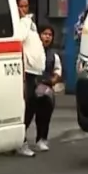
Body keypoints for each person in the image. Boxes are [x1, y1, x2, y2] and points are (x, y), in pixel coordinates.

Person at [16, 0, 47, 157]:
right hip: (25, 72)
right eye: (21, 6)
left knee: (34, 104)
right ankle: (21, 141)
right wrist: (25, 20)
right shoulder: (22, 23)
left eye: (26, 6)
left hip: (35, 72)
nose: (24, 9)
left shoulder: (31, 24)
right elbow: (20, 37)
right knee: (26, 106)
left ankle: (30, 139)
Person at [31, 24, 62, 152]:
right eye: (45, 34)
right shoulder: (32, 52)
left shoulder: (53, 56)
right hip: (32, 87)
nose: (47, 37)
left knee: (44, 115)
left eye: (50, 35)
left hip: (46, 89)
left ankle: (42, 139)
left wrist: (52, 81)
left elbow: (58, 72)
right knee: (27, 115)